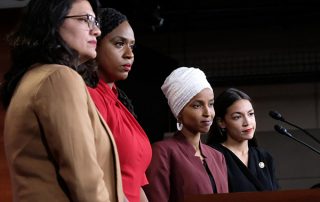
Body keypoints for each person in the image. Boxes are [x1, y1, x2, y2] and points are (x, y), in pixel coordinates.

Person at [0, 0, 125, 201]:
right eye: (85, 19)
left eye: (96, 21)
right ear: (53, 23)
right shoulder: (58, 78)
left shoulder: (34, 78)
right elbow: (86, 182)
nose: (96, 31)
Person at [86, 8, 152, 202]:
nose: (129, 54)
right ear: (94, 43)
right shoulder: (89, 96)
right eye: (119, 44)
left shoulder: (120, 102)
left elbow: (136, 184)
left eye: (132, 46)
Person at [143, 67, 229, 202]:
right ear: (179, 112)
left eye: (211, 104)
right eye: (197, 105)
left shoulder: (218, 157)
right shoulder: (162, 152)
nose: (208, 113)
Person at [206, 87, 279, 192]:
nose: (247, 122)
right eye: (237, 117)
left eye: (250, 114)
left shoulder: (264, 156)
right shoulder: (212, 155)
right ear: (221, 122)